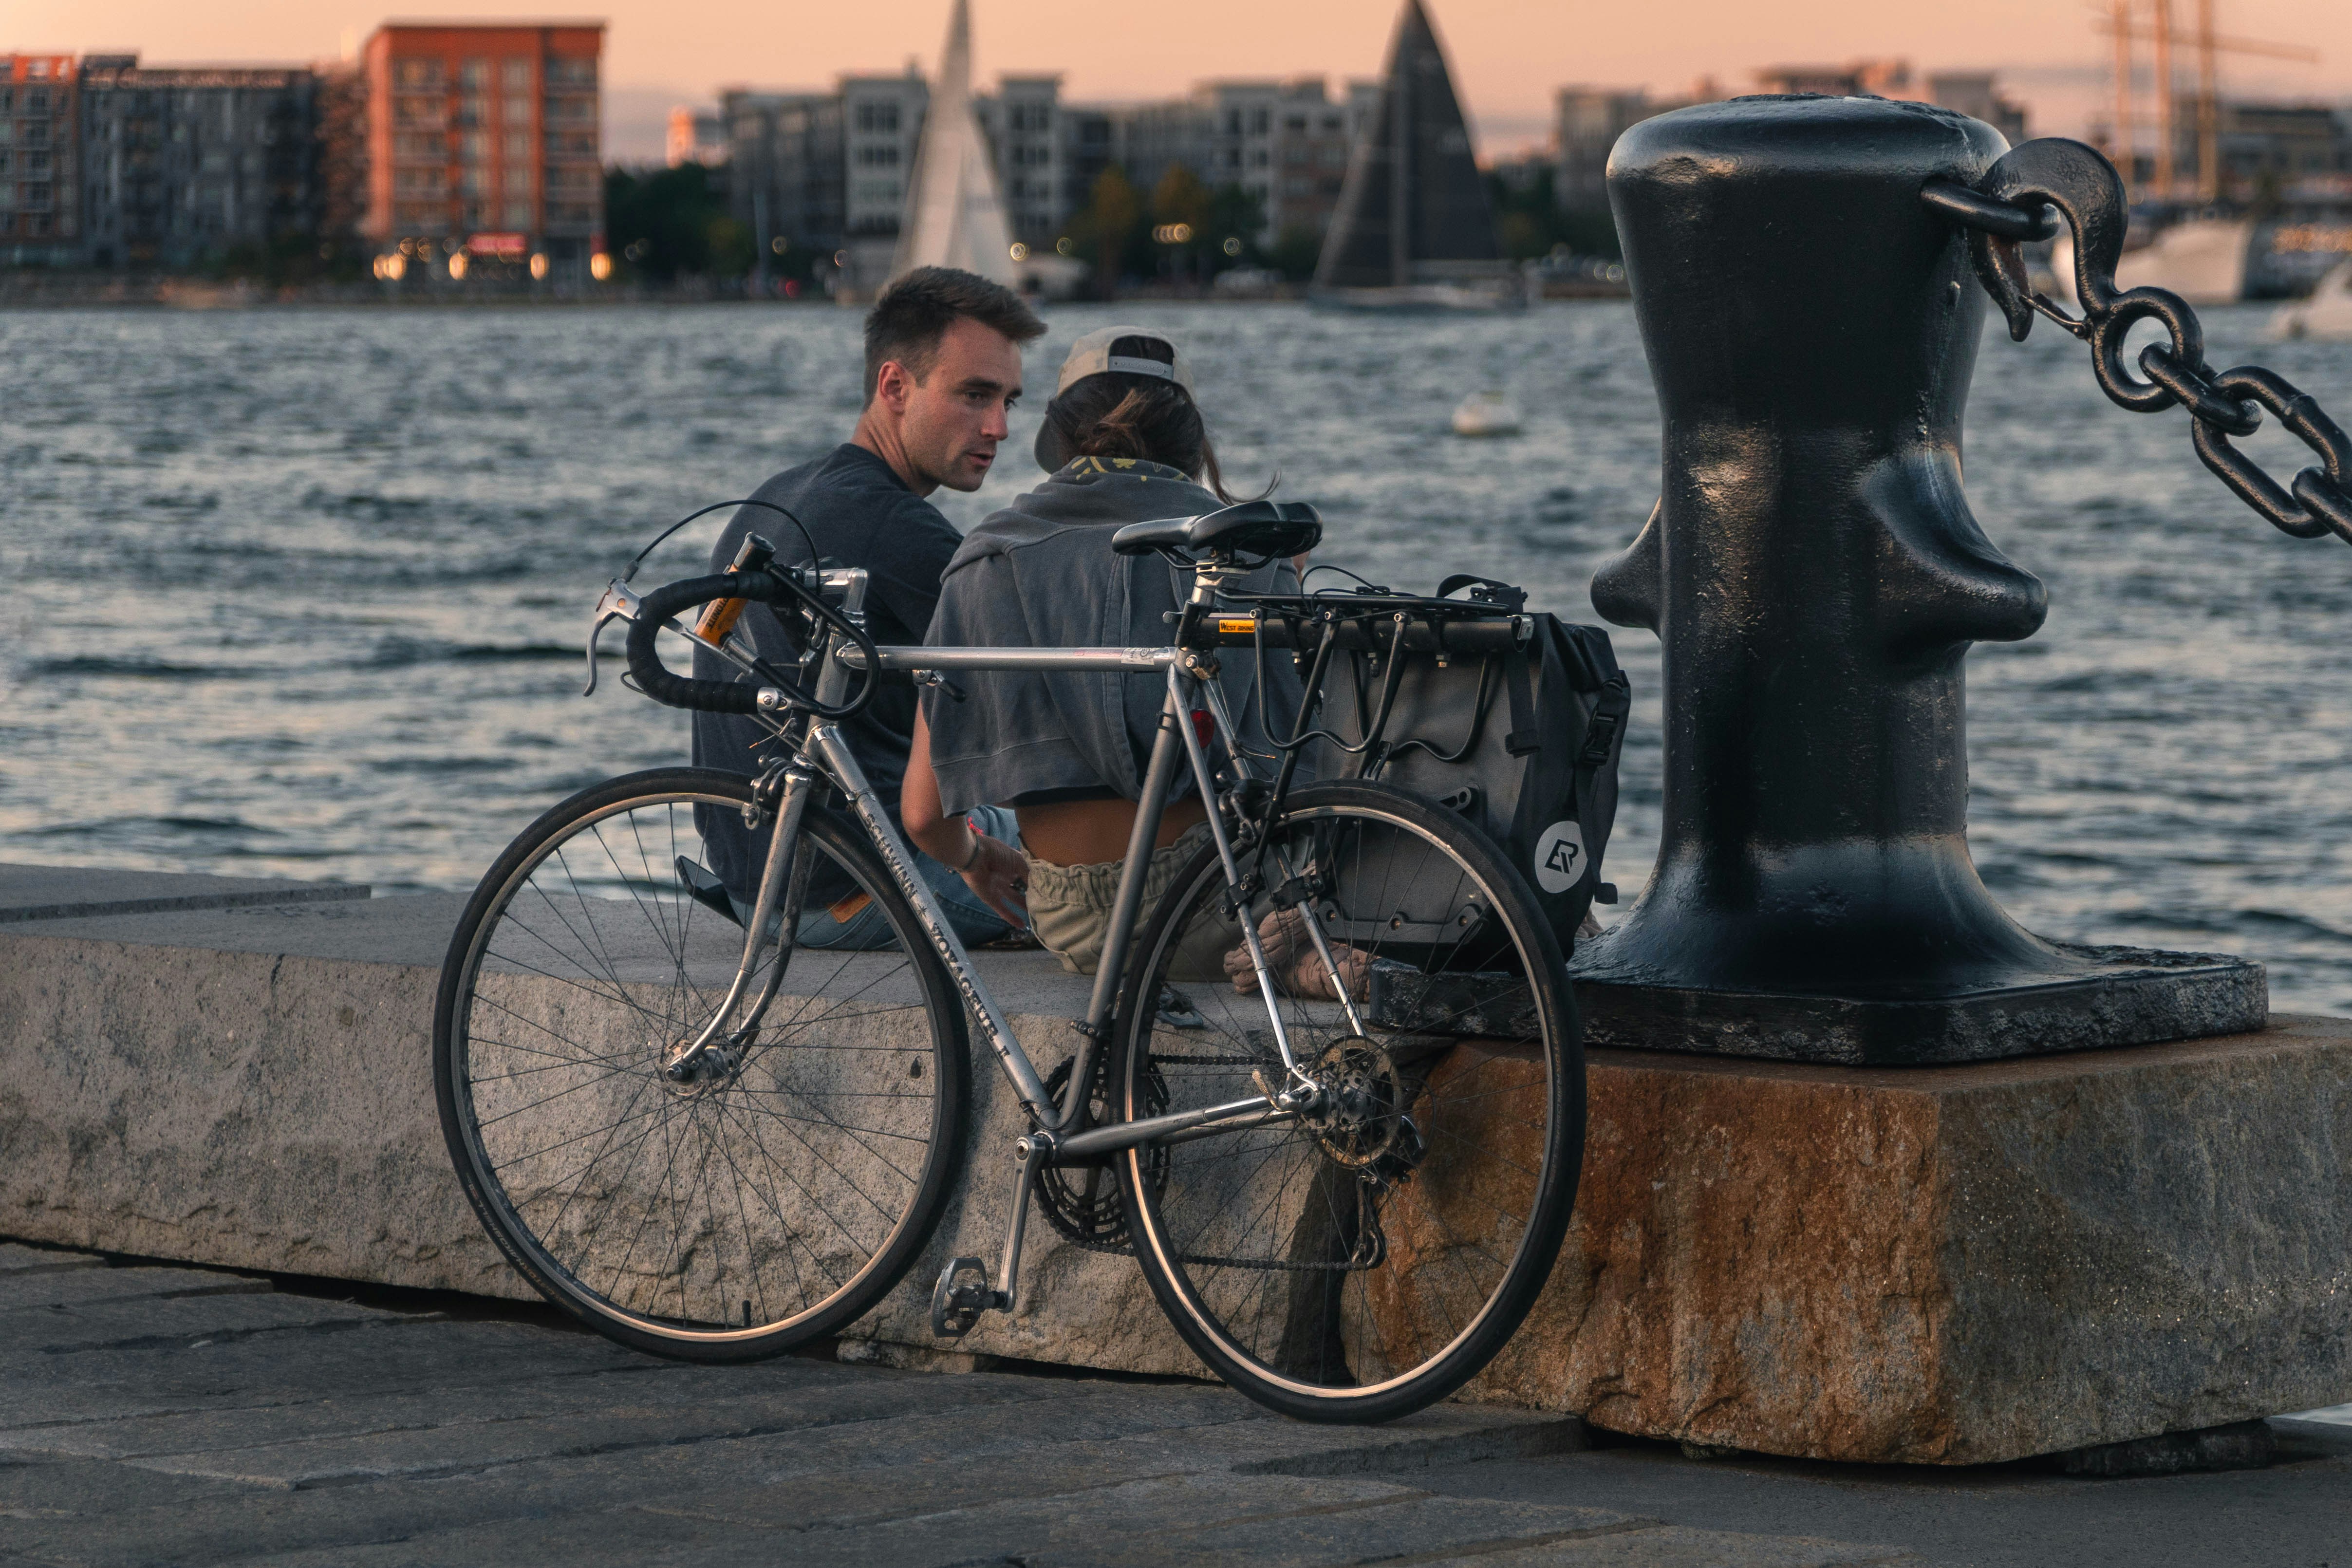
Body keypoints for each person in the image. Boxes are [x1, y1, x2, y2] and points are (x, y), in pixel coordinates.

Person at [899, 326, 1331, 986]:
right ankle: (1312, 958)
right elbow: (1299, 762)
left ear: (1062, 440)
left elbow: (924, 816)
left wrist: (976, 860)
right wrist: (1283, 580)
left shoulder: (983, 559)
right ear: (1189, 445)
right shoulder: (1246, 552)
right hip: (1222, 902)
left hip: (1071, 923)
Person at [691, 266, 1045, 950]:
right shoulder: (901, 532)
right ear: (895, 388)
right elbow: (1034, 724)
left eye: (1009, 401)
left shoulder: (776, 496)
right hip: (852, 886)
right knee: (1109, 876)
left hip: (747, 877)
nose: (999, 427)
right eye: (974, 395)